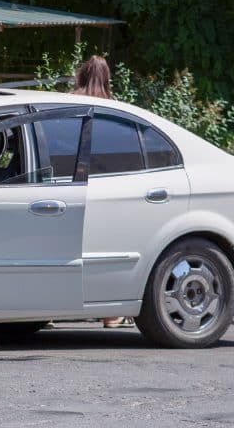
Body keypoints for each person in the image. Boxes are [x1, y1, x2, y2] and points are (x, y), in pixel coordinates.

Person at [72, 55, 134, 329]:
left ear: (82, 75)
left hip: (70, 184)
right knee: (106, 252)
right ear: (107, 78)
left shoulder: (69, 101)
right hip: (107, 187)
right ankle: (111, 315)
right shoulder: (114, 108)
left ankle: (47, 312)